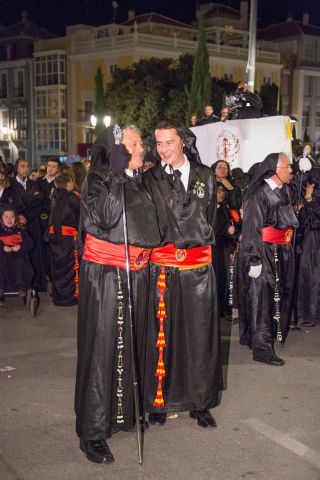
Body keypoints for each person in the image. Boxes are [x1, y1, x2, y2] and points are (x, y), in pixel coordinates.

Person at [75, 124, 161, 464]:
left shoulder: (136, 180)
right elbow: (107, 217)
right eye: (134, 144)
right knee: (102, 351)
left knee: (130, 346)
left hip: (136, 276)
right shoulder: (98, 179)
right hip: (107, 277)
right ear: (116, 151)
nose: (142, 149)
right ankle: (92, 431)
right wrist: (114, 173)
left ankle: (122, 414)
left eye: (141, 143)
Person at [143, 120, 221, 429]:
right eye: (159, 144)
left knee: (200, 336)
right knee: (162, 337)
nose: (163, 150)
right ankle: (159, 402)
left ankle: (200, 403)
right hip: (163, 269)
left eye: (169, 143)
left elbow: (211, 219)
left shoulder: (204, 175)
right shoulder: (149, 179)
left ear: (183, 142)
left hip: (198, 270)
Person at [240, 153, 299, 366]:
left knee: (277, 295)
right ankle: (262, 348)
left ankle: (264, 337)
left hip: (280, 252)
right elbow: (251, 228)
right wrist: (253, 259)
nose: (291, 170)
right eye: (288, 167)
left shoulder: (283, 191)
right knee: (261, 300)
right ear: (275, 169)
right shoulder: (258, 194)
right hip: (263, 252)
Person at [10, 159, 47, 291]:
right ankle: (22, 285)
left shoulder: (35, 184)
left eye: (27, 166)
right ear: (16, 168)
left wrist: (25, 208)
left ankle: (37, 284)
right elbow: (12, 204)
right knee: (22, 255)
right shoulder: (11, 185)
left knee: (36, 254)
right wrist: (20, 212)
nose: (26, 168)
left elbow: (39, 203)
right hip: (18, 225)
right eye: (22, 166)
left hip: (34, 224)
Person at [48, 173, 80, 306]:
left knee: (57, 266)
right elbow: (81, 215)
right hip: (68, 238)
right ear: (68, 184)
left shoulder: (53, 196)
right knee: (70, 267)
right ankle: (68, 298)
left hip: (53, 236)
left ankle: (58, 296)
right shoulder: (72, 197)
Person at [0, 206, 33, 301]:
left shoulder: (21, 230)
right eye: (6, 217)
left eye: (12, 217)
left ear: (16, 218)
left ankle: (21, 287)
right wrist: (2, 247)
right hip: (2, 255)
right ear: (1, 218)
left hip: (17, 255)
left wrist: (20, 246)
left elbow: (30, 243)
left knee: (19, 261)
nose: (9, 220)